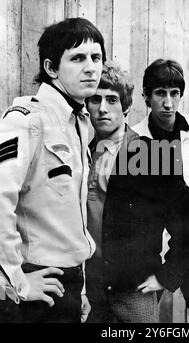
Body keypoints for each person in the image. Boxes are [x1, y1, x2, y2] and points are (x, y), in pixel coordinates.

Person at [0, 17, 106, 323]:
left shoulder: (79, 123)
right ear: (51, 68)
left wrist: (81, 288)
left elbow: (70, 216)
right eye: (77, 58)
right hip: (35, 283)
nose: (91, 68)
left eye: (96, 58)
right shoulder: (27, 120)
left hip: (68, 282)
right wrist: (15, 282)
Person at [85, 60, 189, 323]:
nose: (103, 108)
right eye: (95, 99)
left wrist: (167, 275)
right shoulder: (83, 152)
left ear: (127, 107)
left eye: (112, 100)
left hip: (134, 291)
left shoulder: (151, 153)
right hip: (92, 289)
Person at [133, 58, 189, 323]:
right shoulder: (136, 138)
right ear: (146, 96)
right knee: (143, 317)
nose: (168, 103)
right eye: (160, 94)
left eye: (174, 94)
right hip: (155, 249)